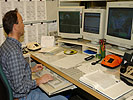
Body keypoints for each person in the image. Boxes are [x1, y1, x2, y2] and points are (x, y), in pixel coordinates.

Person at [0, 9, 68, 100]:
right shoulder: (13, 52)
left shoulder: (7, 45)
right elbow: (20, 88)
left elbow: (13, 73)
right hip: (22, 96)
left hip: (19, 92)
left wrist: (31, 70)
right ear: (15, 27)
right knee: (62, 98)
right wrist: (39, 80)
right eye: (22, 22)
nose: (23, 25)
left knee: (50, 89)